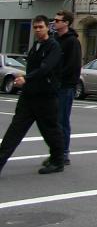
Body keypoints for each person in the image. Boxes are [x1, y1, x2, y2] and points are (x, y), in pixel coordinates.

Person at [0, 15, 67, 175]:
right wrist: (25, 78)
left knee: (50, 131)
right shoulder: (36, 46)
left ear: (47, 28)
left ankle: (58, 161)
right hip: (29, 95)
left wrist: (26, 78)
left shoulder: (53, 46)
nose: (37, 30)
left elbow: (46, 68)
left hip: (46, 96)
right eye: (35, 27)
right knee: (15, 130)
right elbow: (33, 68)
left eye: (40, 27)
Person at [48, 11, 82, 167]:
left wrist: (58, 78)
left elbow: (72, 66)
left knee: (61, 120)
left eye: (57, 20)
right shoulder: (55, 39)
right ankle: (56, 153)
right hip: (53, 85)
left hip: (65, 86)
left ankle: (63, 153)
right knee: (53, 120)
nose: (54, 22)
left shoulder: (72, 42)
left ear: (66, 22)